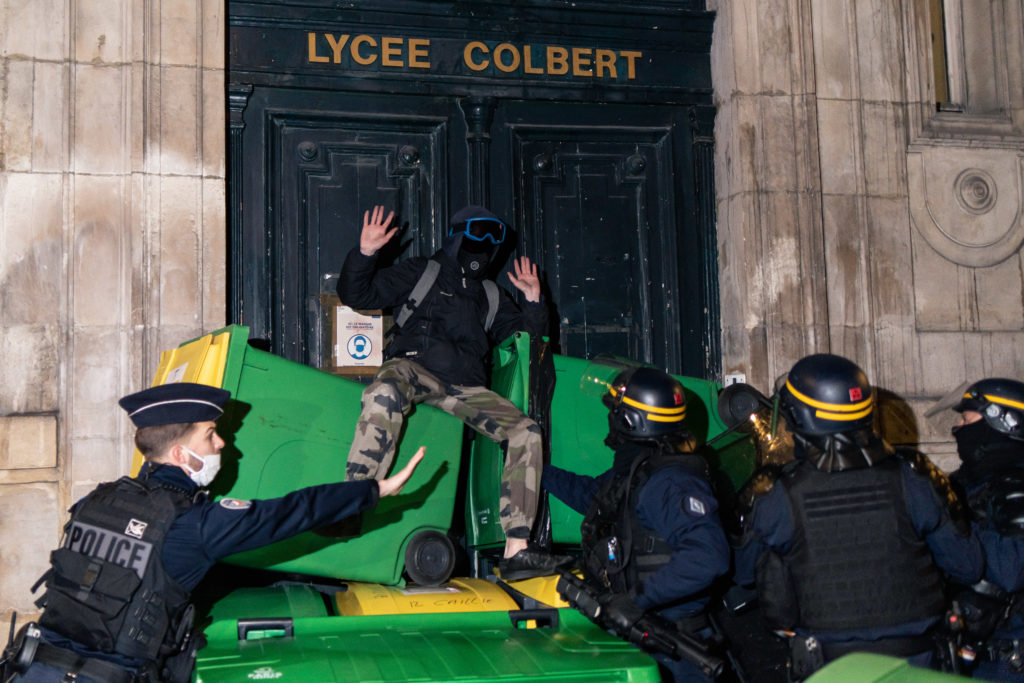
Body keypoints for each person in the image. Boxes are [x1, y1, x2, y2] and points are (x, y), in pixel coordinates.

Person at [4, 381, 424, 683]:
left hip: (33, 667)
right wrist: (374, 488)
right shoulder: (191, 525)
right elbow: (292, 512)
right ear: (180, 453)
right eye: (210, 435)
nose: (221, 444)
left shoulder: (98, 500)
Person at [338, 204, 568, 580]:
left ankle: (517, 550)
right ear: (459, 234)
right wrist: (365, 254)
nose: (487, 245)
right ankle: (349, 504)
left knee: (525, 430)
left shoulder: (491, 296)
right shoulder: (422, 272)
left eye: (496, 237)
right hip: (414, 368)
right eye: (480, 233)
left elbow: (532, 343)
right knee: (384, 391)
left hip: (465, 388)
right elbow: (357, 294)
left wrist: (532, 301)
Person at [732, 353, 984, 680]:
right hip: (918, 660)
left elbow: (743, 578)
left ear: (798, 416)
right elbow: (967, 565)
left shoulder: (777, 493)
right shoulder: (913, 477)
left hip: (833, 666)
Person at [542, 366, 731, 682]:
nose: (611, 418)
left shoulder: (671, 483)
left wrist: (635, 600)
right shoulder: (638, 473)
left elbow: (708, 557)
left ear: (630, 420)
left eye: (615, 411)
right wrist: (537, 471)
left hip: (675, 649)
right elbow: (594, 496)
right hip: (641, 638)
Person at [943, 378, 1024, 681]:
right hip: (969, 645)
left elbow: (1015, 565)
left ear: (1003, 421)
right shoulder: (968, 480)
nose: (958, 427)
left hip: (1007, 657)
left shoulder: (1015, 481)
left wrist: (953, 536)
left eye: (966, 419)